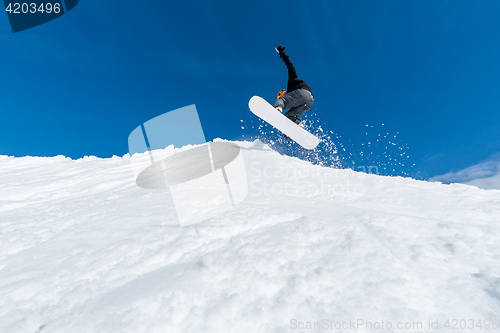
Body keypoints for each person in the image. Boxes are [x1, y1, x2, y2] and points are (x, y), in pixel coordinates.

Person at [273, 45, 314, 131]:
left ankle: (277, 108)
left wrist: (283, 54)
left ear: (284, 90)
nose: (281, 96)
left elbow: (291, 68)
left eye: (280, 94)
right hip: (310, 102)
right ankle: (299, 125)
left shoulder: (292, 83)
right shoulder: (293, 95)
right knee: (289, 116)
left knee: (282, 102)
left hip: (303, 93)